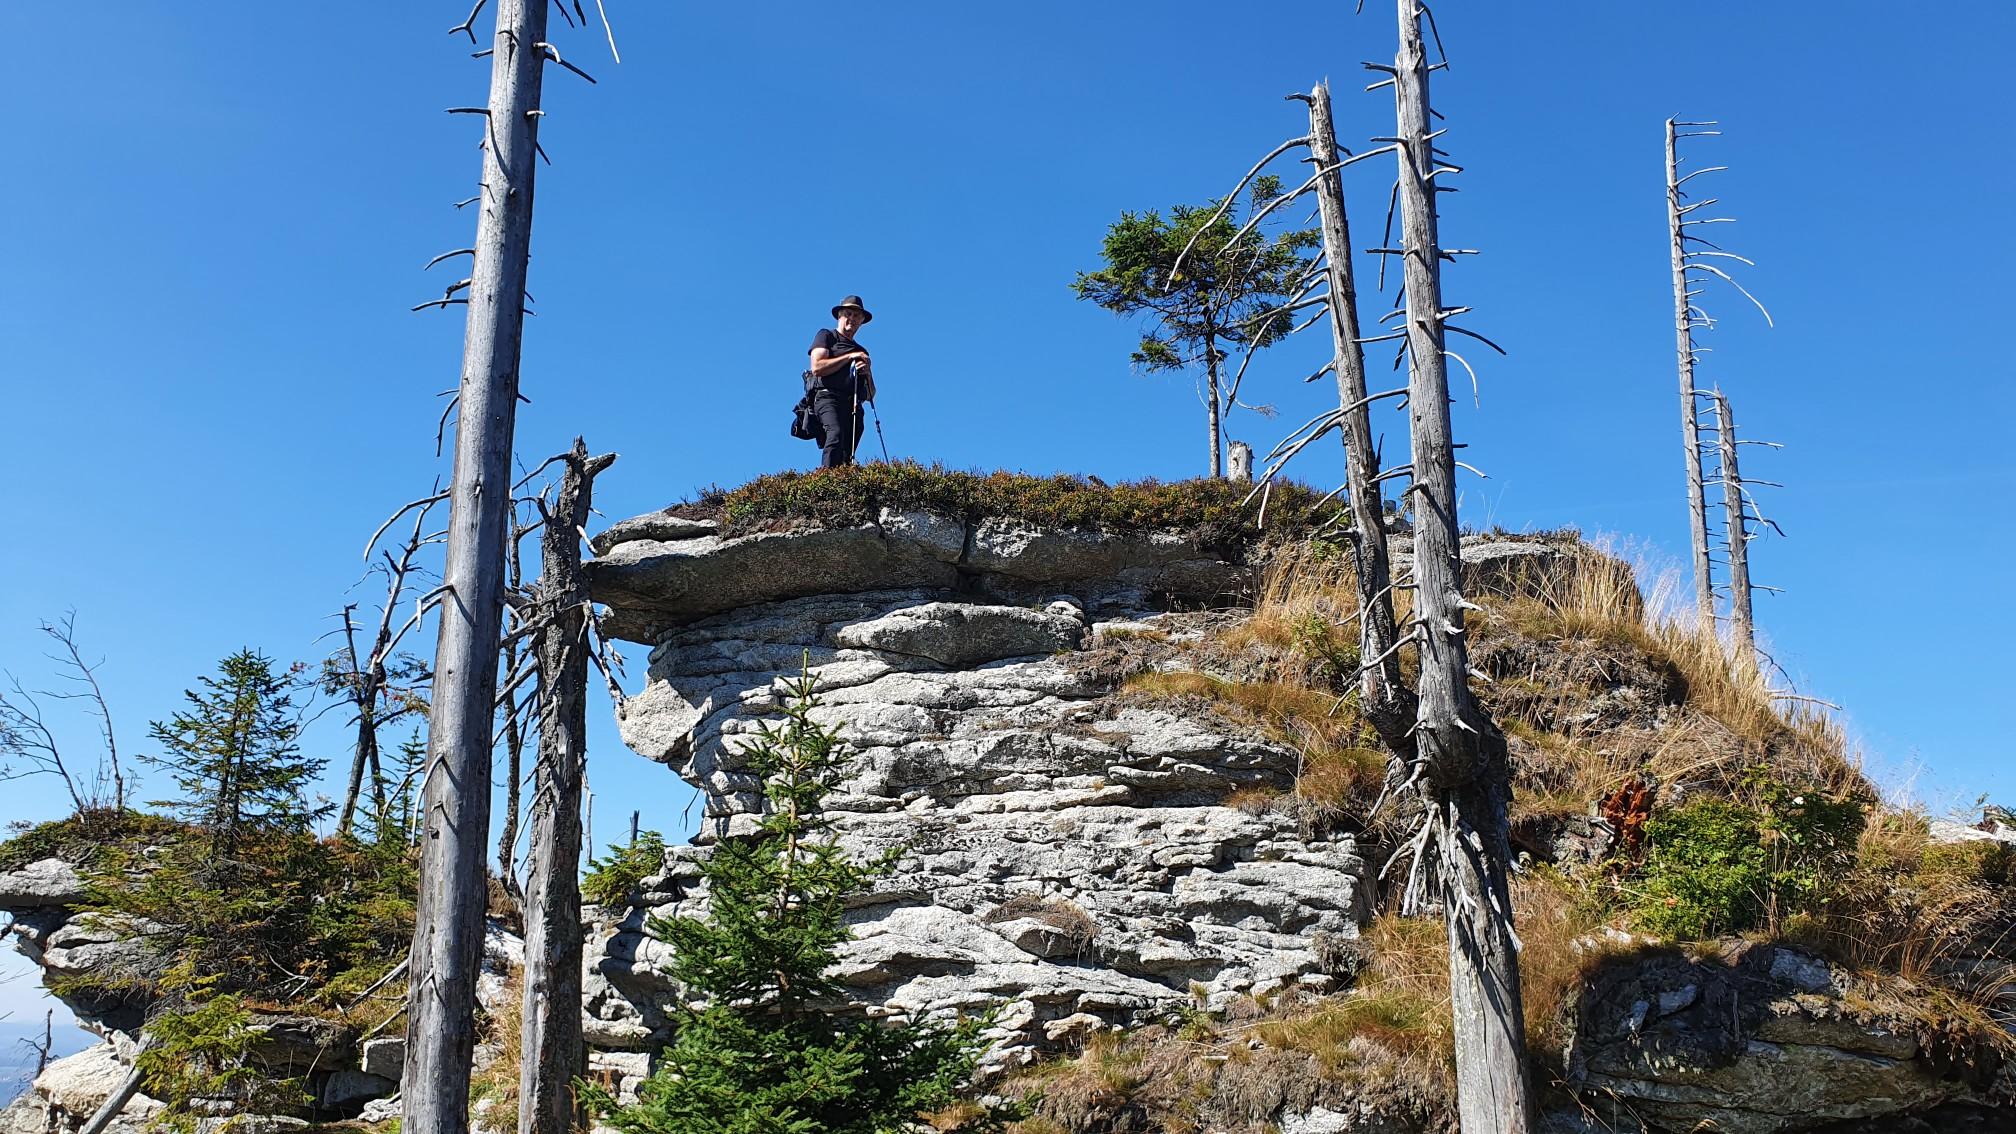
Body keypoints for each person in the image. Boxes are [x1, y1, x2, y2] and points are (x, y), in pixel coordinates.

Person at [806, 295, 876, 468]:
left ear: (861, 321)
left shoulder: (861, 351)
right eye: (848, 314)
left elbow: (870, 394)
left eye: (857, 316)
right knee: (835, 435)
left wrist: (868, 373)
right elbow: (817, 367)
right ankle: (828, 482)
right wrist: (850, 357)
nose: (852, 319)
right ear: (840, 316)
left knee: (848, 449)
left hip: (852, 404)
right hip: (827, 398)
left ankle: (843, 481)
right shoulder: (827, 336)